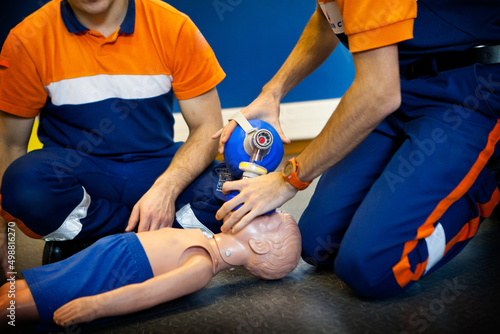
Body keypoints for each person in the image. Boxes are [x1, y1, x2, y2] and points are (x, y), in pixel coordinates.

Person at [214, 0, 500, 298]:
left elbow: (377, 94)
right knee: (318, 245)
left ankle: (485, 179)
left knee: (373, 269)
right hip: (401, 86)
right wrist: (273, 91)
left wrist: (288, 179)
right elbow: (326, 18)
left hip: (469, 93)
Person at [0, 0, 226, 271]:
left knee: (232, 189)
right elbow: (9, 144)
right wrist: (2, 230)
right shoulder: (27, 39)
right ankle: (155, 240)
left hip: (156, 170)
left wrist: (166, 188)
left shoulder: (173, 26)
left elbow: (208, 128)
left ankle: (102, 242)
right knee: (22, 184)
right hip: (80, 176)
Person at [0, 210, 301, 327]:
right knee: (18, 291)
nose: (262, 208)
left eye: (267, 218)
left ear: (260, 246)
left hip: (119, 268)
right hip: (114, 253)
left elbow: (148, 293)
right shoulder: (206, 241)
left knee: (19, 305)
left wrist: (95, 306)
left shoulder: (201, 267)